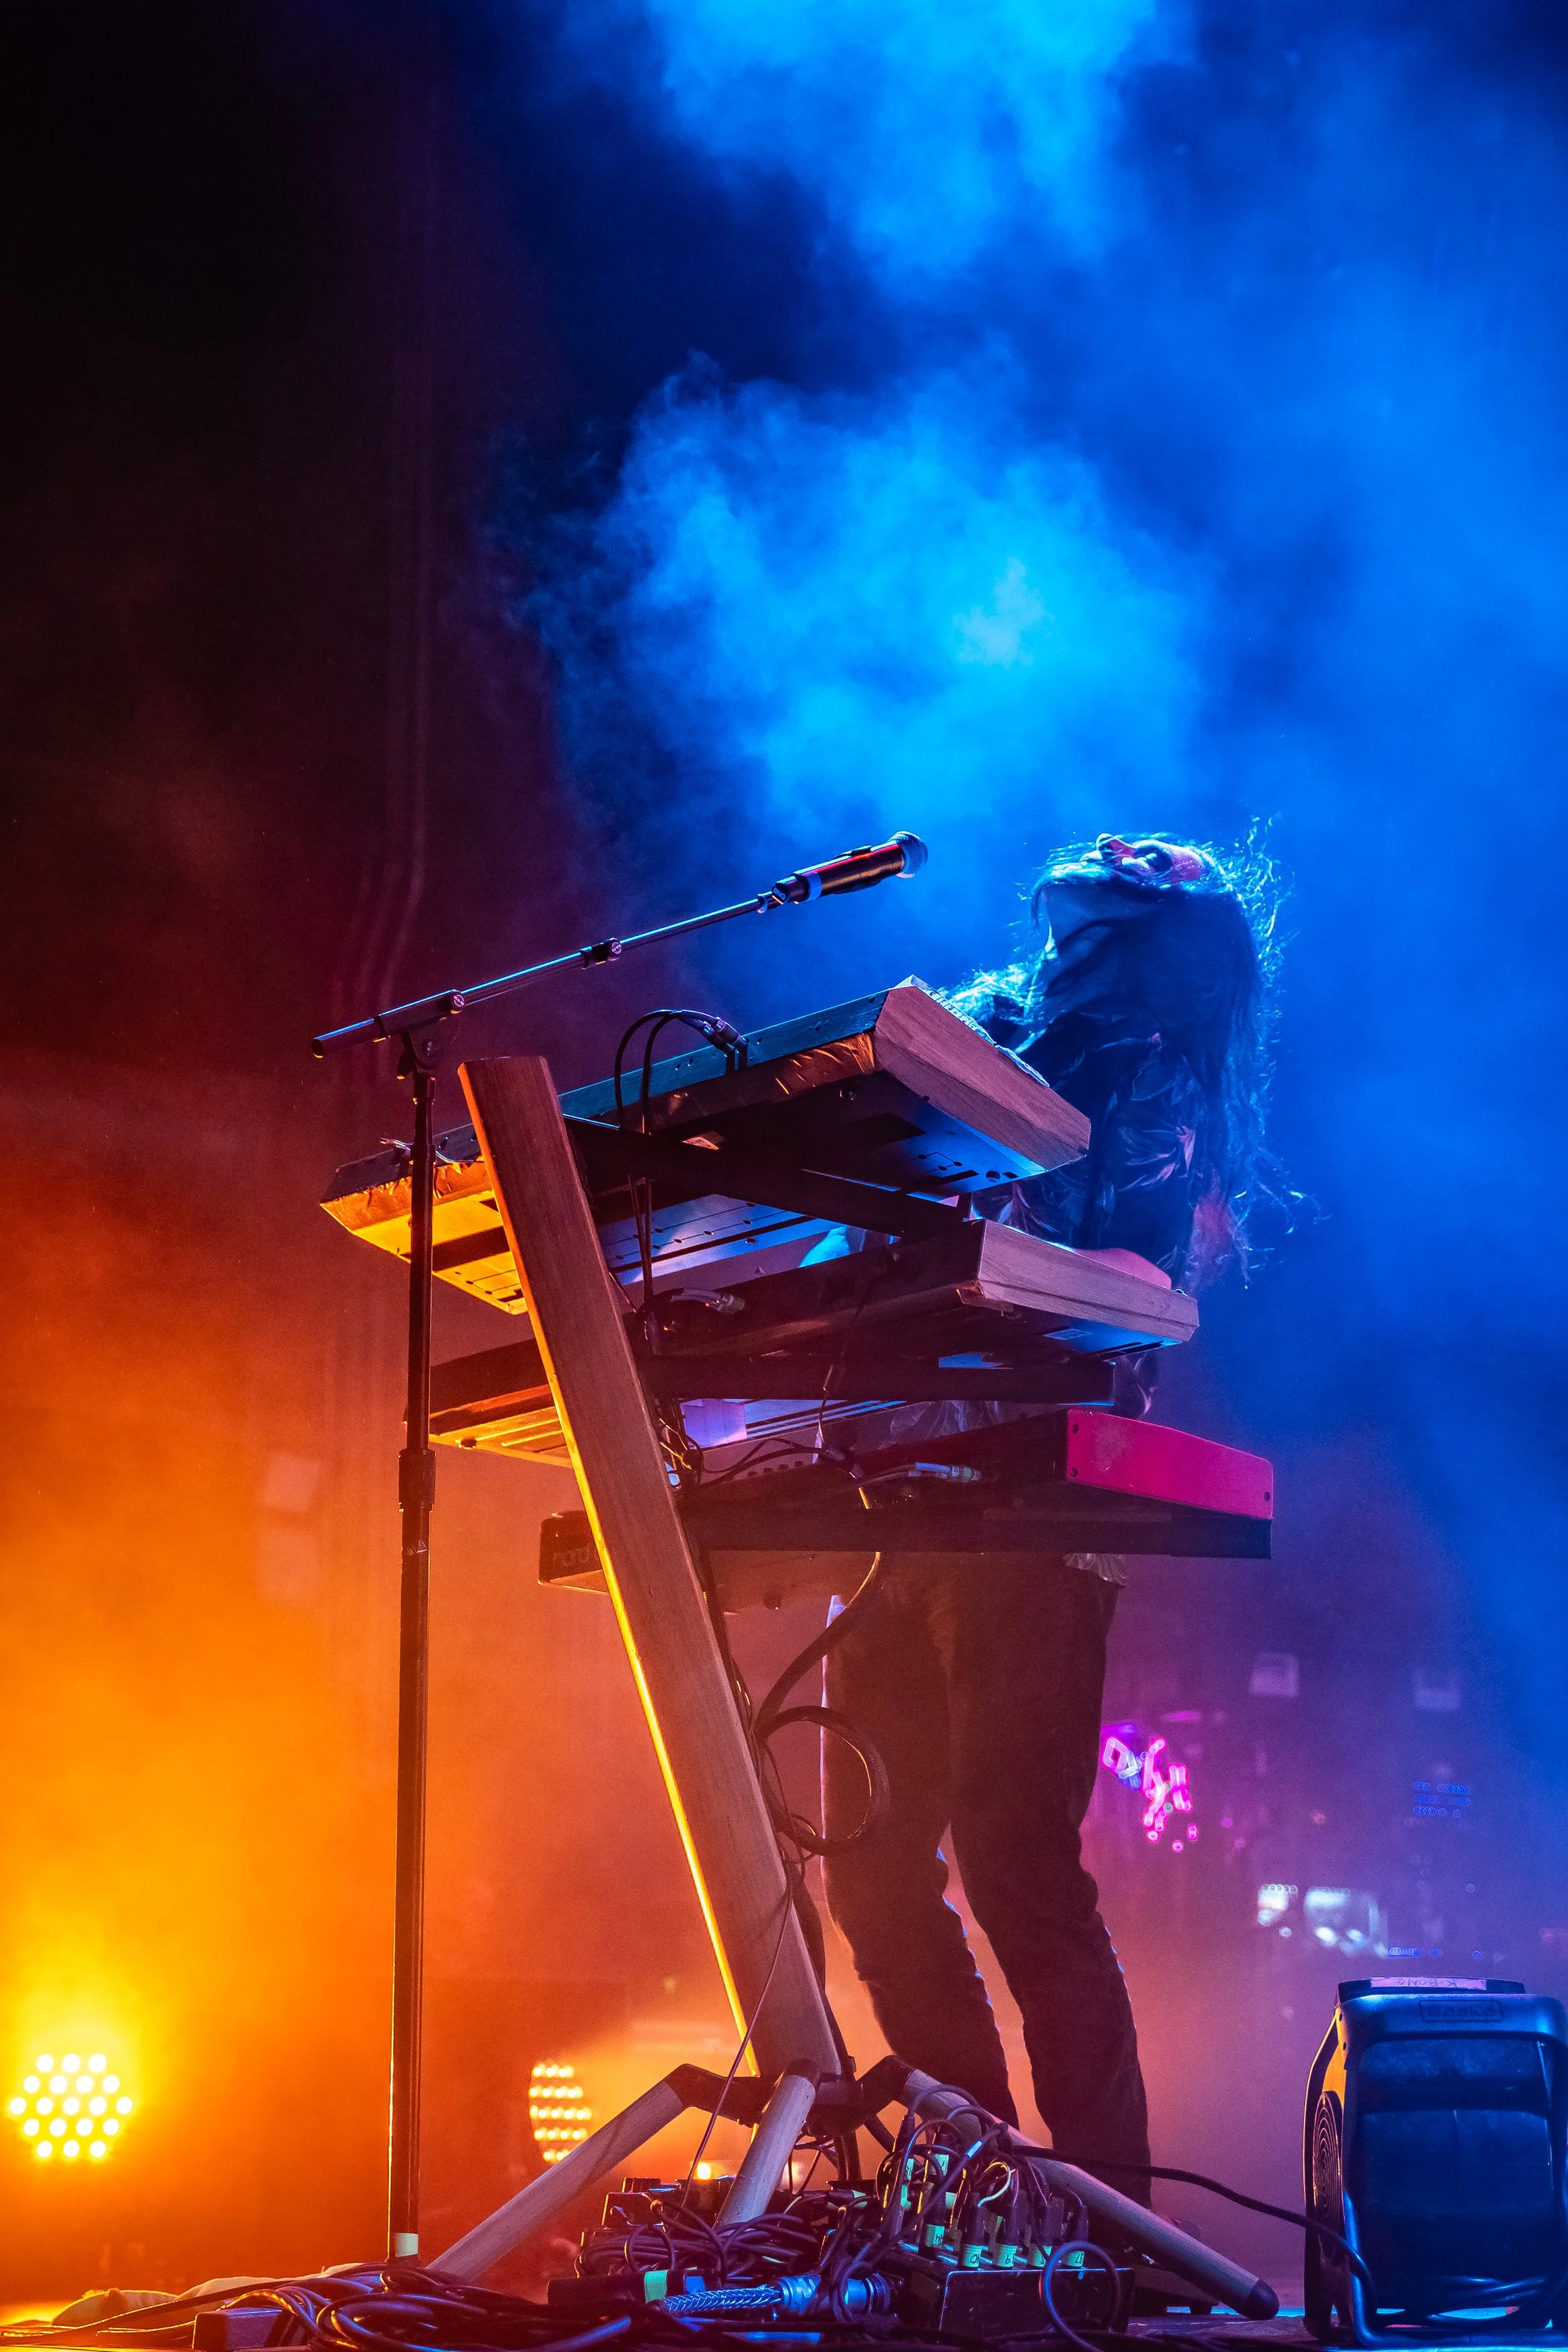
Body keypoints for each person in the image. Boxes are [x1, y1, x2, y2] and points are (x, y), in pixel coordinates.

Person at [818, 831, 1282, 2180]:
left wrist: (983, 1252)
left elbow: (1135, 1289)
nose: (1115, 848)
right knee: (869, 1864)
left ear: (1167, 943)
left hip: (1028, 1511)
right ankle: (981, 2186)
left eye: (1118, 900)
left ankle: (1110, 2223)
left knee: (1015, 1862)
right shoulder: (990, 1027)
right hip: (895, 1495)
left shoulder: (1148, 1074)